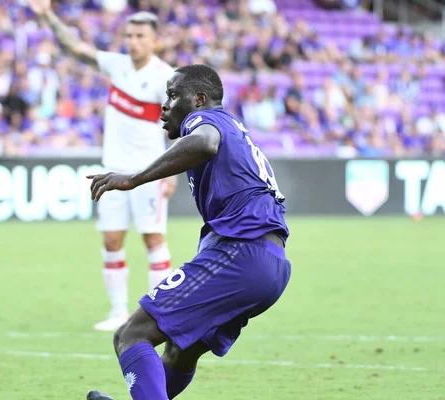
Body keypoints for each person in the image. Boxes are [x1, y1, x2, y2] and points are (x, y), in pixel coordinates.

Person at [86, 64, 292, 400]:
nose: (164, 105)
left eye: (172, 95)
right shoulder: (235, 129)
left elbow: (206, 143)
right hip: (271, 266)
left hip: (241, 255)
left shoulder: (206, 120)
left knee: (131, 334)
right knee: (180, 353)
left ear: (198, 99)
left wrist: (133, 178)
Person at [26, 0, 178, 331]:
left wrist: (174, 170)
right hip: (112, 170)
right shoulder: (117, 65)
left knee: (153, 239)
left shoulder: (165, 78)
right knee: (111, 240)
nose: (133, 41)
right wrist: (48, 15)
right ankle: (118, 312)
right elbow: (74, 47)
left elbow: (181, 125)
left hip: (148, 173)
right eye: (129, 35)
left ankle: (161, 314)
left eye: (140, 36)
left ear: (154, 40)